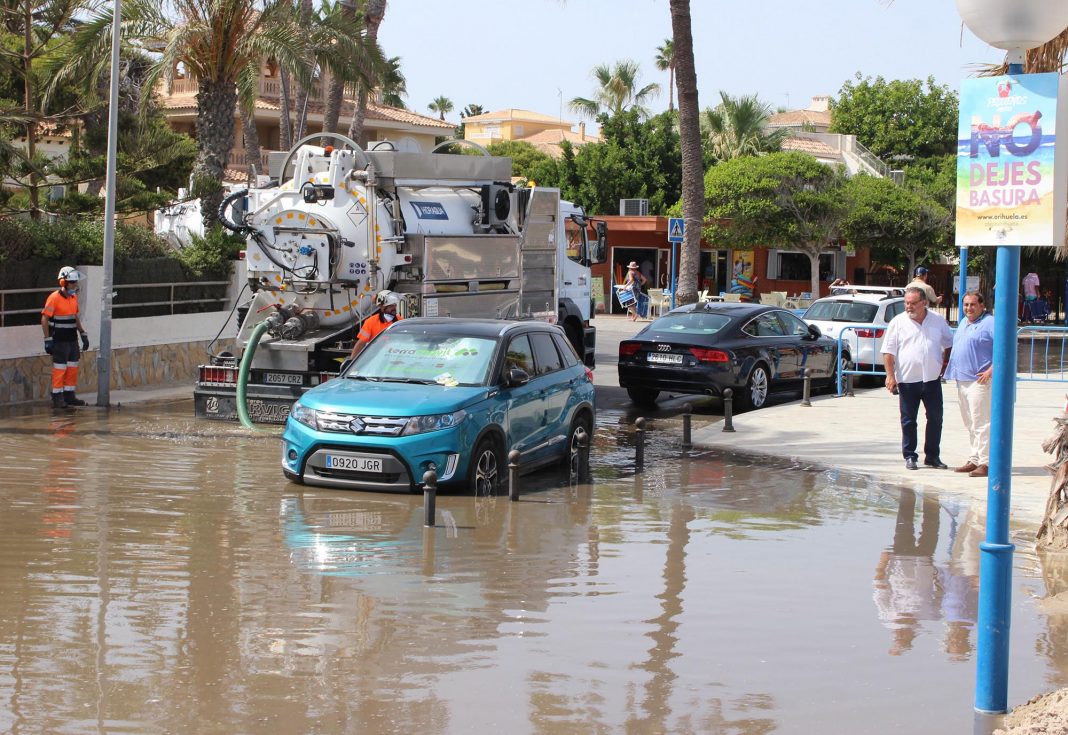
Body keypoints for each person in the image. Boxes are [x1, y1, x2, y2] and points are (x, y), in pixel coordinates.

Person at [882, 286, 954, 471]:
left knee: (936, 418)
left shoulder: (938, 320)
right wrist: (890, 376)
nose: (909, 307)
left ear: (924, 303)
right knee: (908, 420)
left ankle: (932, 456)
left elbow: (949, 343)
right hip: (907, 380)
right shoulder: (897, 322)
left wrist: (945, 366)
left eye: (913, 303)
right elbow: (888, 351)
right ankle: (910, 456)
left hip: (931, 379)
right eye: (906, 303)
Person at [943, 291, 994, 477]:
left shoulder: (990, 323)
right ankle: (974, 458)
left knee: (982, 423)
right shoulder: (964, 322)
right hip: (962, 380)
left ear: (982, 305)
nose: (969, 308)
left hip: (979, 381)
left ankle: (986, 462)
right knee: (970, 422)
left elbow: (1005, 346)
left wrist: (991, 370)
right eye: (965, 305)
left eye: (973, 305)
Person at [41, 266, 90, 408]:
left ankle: (69, 395)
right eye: (72, 282)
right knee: (60, 369)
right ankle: (57, 396)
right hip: (59, 341)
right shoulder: (54, 298)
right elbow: (45, 319)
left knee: (72, 367)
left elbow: (75, 316)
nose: (75, 284)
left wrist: (82, 333)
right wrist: (47, 339)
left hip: (72, 340)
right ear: (63, 282)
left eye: (75, 282)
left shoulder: (73, 298)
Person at [348, 290, 402, 360]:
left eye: (395, 305)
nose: (394, 308)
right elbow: (361, 343)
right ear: (382, 306)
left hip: (393, 360)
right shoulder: (371, 322)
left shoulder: (400, 321)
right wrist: (351, 362)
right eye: (391, 306)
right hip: (375, 360)